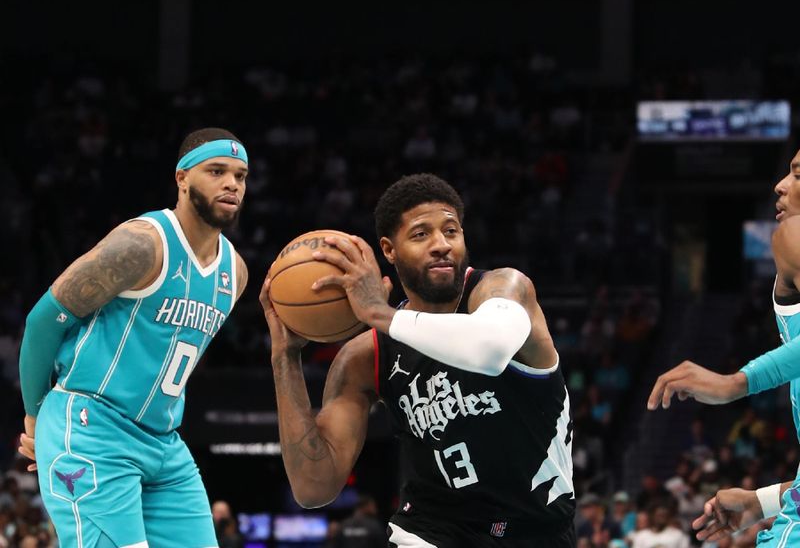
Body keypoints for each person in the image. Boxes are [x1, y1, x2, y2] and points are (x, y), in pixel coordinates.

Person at [261, 173, 575, 547]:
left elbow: (489, 351)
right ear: (389, 250)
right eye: (421, 234)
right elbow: (313, 487)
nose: (441, 245)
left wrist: (378, 312)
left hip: (537, 531)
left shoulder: (504, 290)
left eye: (451, 231)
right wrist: (285, 359)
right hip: (429, 532)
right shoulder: (365, 356)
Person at [17, 128, 249, 548]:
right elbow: (42, 322)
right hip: (93, 428)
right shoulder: (141, 245)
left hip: (163, 444)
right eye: (217, 171)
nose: (232, 183)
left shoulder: (236, 273)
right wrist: (35, 417)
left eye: (241, 175)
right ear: (182, 178)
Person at [647, 149, 800, 545]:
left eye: (799, 175)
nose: (780, 186)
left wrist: (735, 382)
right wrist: (760, 501)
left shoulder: (793, 234)